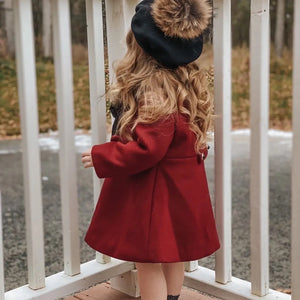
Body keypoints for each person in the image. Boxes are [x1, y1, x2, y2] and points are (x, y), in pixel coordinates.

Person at [81, 0, 220, 299]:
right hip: (180, 187)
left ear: (140, 48)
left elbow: (147, 150)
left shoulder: (155, 95)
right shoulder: (182, 88)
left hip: (156, 192)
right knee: (173, 252)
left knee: (148, 261)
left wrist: (101, 156)